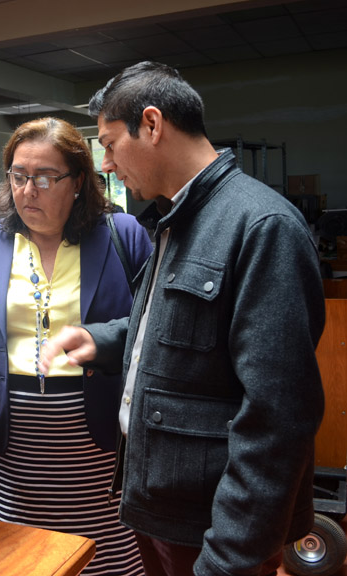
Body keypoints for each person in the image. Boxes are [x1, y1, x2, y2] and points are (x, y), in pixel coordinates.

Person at [41, 61, 325, 576]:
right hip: (161, 507)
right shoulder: (178, 215)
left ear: (151, 125)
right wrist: (101, 342)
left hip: (212, 526)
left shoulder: (261, 226)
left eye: (108, 143)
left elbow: (279, 418)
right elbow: (179, 331)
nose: (105, 164)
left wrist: (229, 557)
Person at [0, 117, 152, 575]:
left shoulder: (123, 235)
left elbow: (152, 322)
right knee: (21, 554)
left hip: (100, 438)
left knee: (106, 552)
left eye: (44, 178)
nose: (27, 190)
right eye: (17, 176)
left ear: (77, 182)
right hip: (12, 443)